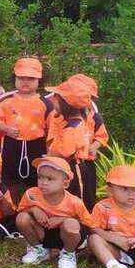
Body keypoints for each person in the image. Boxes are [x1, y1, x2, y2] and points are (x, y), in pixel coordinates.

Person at [0, 57, 52, 203]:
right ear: (14, 79)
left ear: (39, 80)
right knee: (10, 181)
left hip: (37, 146)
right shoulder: (6, 102)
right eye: (21, 78)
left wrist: (50, 152)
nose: (25, 82)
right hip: (12, 145)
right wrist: (6, 129)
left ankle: (36, 207)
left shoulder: (45, 104)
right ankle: (10, 208)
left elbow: (52, 129)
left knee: (37, 179)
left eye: (31, 78)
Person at [15, 156, 95, 268]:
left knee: (70, 224)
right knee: (22, 218)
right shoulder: (31, 194)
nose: (43, 182)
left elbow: (88, 223)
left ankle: (68, 253)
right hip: (43, 233)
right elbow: (21, 211)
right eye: (40, 177)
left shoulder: (74, 202)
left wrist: (62, 219)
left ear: (65, 184)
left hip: (67, 236)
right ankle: (38, 249)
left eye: (50, 179)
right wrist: (33, 209)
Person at [44, 78, 98, 210]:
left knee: (78, 202)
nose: (53, 101)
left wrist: (49, 158)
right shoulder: (71, 121)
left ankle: (82, 223)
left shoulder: (72, 126)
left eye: (56, 98)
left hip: (74, 168)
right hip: (71, 167)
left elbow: (65, 151)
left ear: (66, 103)